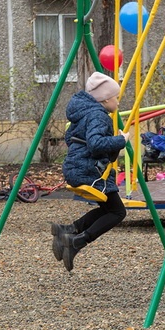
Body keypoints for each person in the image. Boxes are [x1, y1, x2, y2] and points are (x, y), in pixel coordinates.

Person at [51, 72, 129, 272]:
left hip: (76, 167)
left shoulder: (83, 112)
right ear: (105, 99)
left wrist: (112, 148)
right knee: (118, 212)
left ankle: (68, 230)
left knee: (107, 210)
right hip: (90, 171)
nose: (118, 102)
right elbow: (96, 144)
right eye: (116, 97)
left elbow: (72, 139)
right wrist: (121, 140)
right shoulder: (98, 115)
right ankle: (76, 242)